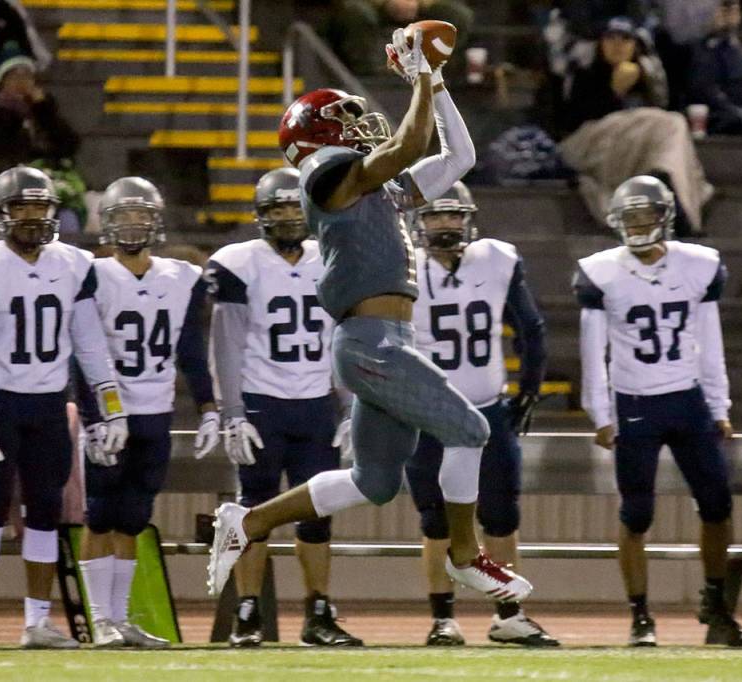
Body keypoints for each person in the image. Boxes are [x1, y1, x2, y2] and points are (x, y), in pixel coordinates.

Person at [208, 28, 532, 606]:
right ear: (317, 135)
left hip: (384, 341)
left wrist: (434, 81)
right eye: (346, 117)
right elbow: (409, 146)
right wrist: (419, 80)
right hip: (371, 343)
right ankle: (464, 555)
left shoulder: (371, 187)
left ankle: (249, 521)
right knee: (471, 430)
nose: (361, 124)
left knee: (373, 483)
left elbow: (460, 157)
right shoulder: (326, 177)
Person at [0, 166, 128, 649]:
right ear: (1, 213)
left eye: (40, 207)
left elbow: (92, 347)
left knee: (46, 512)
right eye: (21, 207)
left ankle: (37, 623)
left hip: (50, 403)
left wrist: (112, 408)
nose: (31, 217)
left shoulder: (74, 262)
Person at [573, 175, 742, 648]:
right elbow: (593, 351)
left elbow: (709, 342)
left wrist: (719, 405)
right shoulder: (601, 271)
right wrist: (600, 413)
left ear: (664, 218)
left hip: (687, 398)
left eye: (644, 216)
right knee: (637, 514)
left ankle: (715, 603)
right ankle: (640, 616)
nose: (636, 226)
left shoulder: (698, 265)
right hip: (634, 403)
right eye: (628, 218)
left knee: (717, 505)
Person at [205, 167, 361, 648]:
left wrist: (353, 404)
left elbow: (345, 336)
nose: (289, 217)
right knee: (254, 508)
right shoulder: (239, 261)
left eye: (296, 206)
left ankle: (318, 610)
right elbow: (225, 342)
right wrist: (230, 410)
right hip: (260, 403)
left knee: (319, 514)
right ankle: (247, 611)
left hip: (316, 403)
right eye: (278, 208)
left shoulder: (331, 257)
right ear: (260, 216)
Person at [404, 181, 555, 647]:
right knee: (436, 521)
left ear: (468, 218)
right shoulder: (402, 267)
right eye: (435, 215)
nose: (445, 223)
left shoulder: (495, 259)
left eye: (453, 214)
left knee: (501, 518)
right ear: (419, 222)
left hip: (488, 412)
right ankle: (443, 618)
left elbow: (530, 327)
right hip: (429, 416)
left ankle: (509, 613)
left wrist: (529, 389)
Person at [73, 177, 219, 648]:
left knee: (133, 516)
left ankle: (119, 618)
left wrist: (209, 407)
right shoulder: (90, 274)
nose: (133, 225)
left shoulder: (182, 276)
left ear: (156, 222)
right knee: (99, 514)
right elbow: (81, 351)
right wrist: (95, 417)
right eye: (124, 216)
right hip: (109, 413)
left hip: (155, 410)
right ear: (107, 224)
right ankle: (100, 621)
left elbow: (192, 350)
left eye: (141, 216)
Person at [560, 17, 712, 237]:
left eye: (625, 39)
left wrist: (646, 83)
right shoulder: (585, 73)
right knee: (670, 124)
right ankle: (671, 197)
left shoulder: (647, 78)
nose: (617, 44)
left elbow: (664, 107)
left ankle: (667, 184)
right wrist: (614, 93)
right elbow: (573, 120)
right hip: (595, 145)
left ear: (635, 45)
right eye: (610, 38)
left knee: (673, 125)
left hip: (639, 148)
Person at [0, 53, 80, 186]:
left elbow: (69, 145)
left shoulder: (43, 111)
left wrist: (43, 109)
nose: (21, 81)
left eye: (27, 76)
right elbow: (1, 151)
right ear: (2, 83)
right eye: (14, 76)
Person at [687, 0, 742, 135]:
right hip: (723, 119)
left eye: (734, 7)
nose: (730, 13)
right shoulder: (703, 52)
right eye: (725, 6)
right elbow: (709, 94)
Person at [328, 0, 473, 76]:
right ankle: (368, 73)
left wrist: (417, 3)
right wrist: (386, 3)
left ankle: (436, 67)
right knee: (356, 12)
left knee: (457, 14)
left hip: (417, 5)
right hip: (371, 5)